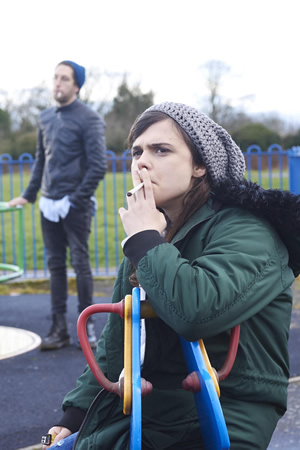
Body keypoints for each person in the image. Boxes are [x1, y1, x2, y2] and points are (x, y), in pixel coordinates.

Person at [42, 102, 300, 449]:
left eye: (160, 150)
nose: (141, 162)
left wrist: (145, 240)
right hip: (152, 413)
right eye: (136, 151)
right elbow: (118, 340)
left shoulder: (248, 231)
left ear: (200, 166)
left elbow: (196, 312)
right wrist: (73, 414)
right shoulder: (152, 233)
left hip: (222, 413)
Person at [9, 60, 107, 350]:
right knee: (54, 266)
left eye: (64, 79)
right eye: (55, 78)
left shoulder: (90, 118)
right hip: (48, 205)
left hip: (75, 206)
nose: (57, 83)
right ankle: (58, 328)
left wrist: (74, 200)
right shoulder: (45, 117)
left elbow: (98, 166)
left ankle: (87, 326)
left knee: (80, 264)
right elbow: (41, 160)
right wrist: (28, 195)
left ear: (76, 85)